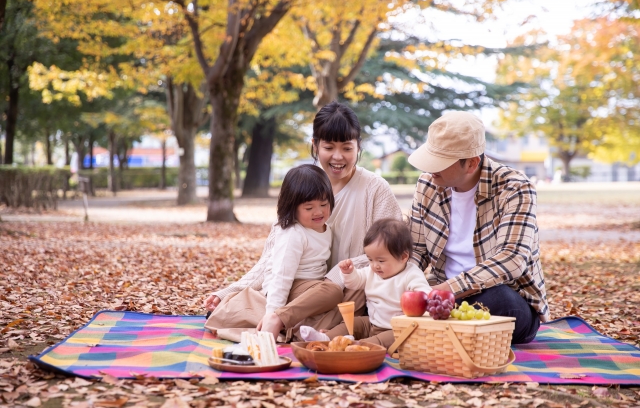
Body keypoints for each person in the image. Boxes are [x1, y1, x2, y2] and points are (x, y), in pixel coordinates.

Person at [204, 102, 402, 340]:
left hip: (346, 289)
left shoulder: (375, 189)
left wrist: (338, 277)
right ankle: (293, 326)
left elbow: (390, 250)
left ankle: (289, 326)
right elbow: (274, 260)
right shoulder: (301, 187)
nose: (338, 157)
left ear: (358, 146)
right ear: (315, 145)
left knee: (359, 291)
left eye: (347, 148)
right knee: (270, 297)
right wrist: (230, 290)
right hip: (300, 291)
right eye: (329, 147)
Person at [406, 111, 548, 344]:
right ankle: (445, 328)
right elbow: (416, 250)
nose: (431, 169)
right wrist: (402, 282)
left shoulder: (515, 188)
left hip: (502, 296)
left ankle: (437, 328)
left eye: (440, 161)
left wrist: (446, 290)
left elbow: (512, 259)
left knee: (499, 300)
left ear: (471, 163)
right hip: (441, 295)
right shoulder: (427, 185)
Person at [204, 164, 342, 340]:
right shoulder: (293, 232)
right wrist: (272, 315)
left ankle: (309, 332)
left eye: (324, 204)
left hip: (310, 289)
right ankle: (278, 321)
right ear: (292, 207)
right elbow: (281, 275)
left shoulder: (325, 228)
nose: (318, 212)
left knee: (349, 298)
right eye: (309, 208)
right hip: (291, 286)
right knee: (333, 291)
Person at [301, 218, 432, 349]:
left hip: (396, 329)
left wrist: (429, 298)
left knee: (385, 339)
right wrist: (349, 273)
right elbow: (355, 282)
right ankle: (326, 338)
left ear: (403, 257)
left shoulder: (411, 274)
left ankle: (358, 346)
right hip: (372, 323)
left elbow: (425, 294)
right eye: (370, 259)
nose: (375, 266)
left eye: (381, 261)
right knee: (353, 323)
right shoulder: (372, 271)